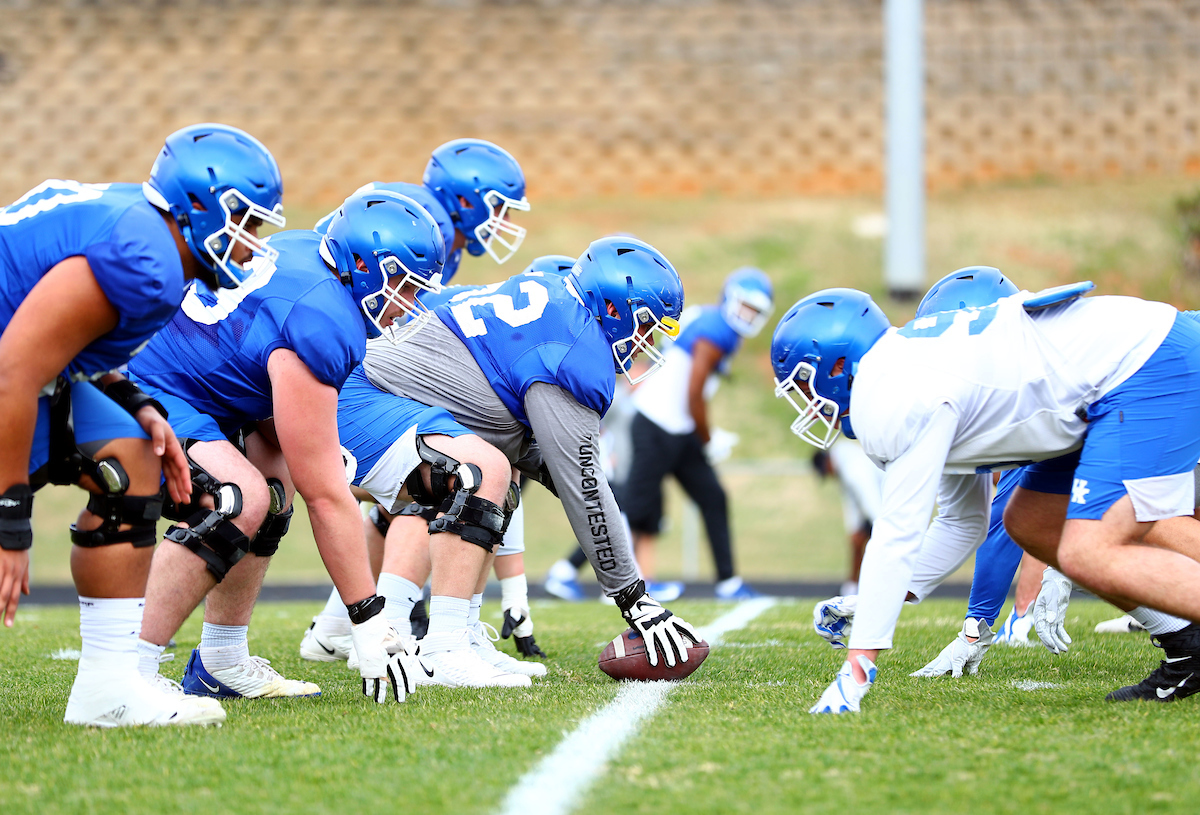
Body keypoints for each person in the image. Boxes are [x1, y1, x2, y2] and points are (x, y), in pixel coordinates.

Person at [772, 280, 1200, 713]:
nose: (806, 404)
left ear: (836, 364)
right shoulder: (906, 373)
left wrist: (855, 674)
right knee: (1030, 522)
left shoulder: (888, 396)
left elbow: (897, 534)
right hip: (1110, 376)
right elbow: (962, 523)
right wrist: (872, 603)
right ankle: (1187, 645)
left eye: (802, 386)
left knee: (1089, 549)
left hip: (1145, 364)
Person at [0, 122, 285, 727]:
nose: (252, 243)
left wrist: (142, 407)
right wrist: (11, 519)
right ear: (204, 211)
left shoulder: (155, 242)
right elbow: (13, 376)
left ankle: (108, 688)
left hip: (20, 369)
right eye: (248, 224)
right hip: (10, 374)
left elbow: (81, 353)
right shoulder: (144, 257)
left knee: (131, 458)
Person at [333, 235, 702, 686]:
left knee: (498, 479)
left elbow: (555, 468)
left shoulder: (556, 313)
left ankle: (461, 635)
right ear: (611, 309)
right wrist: (633, 597)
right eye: (645, 325)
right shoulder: (572, 350)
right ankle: (443, 648)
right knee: (480, 472)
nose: (645, 342)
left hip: (373, 392)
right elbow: (585, 487)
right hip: (360, 400)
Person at [129, 189, 445, 710]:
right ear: (362, 264)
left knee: (275, 490)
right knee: (242, 498)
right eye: (402, 288)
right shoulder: (324, 318)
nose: (405, 306)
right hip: (152, 380)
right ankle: (129, 669)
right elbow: (327, 497)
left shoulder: (313, 253)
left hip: (206, 384)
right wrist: (368, 618)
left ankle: (221, 661)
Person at [299, 257, 577, 666]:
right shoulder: (492, 347)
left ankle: (338, 626)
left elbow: (506, 486)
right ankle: (396, 628)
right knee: (441, 485)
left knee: (468, 484)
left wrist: (516, 596)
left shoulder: (494, 336)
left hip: (369, 406)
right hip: (351, 405)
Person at [546, 267, 773, 601]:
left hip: (677, 428)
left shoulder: (711, 320)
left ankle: (729, 582)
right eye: (746, 306)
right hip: (658, 425)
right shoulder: (717, 329)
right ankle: (565, 571)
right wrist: (709, 439)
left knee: (712, 498)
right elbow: (693, 392)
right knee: (629, 502)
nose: (748, 316)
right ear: (730, 299)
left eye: (755, 311)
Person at [313, 137, 530, 280]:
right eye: (501, 209)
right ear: (466, 202)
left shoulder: (449, 244)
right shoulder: (435, 227)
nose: (506, 221)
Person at [811, 438, 883, 596]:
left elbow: (871, 501)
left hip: (885, 505)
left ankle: (864, 586)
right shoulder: (844, 463)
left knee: (865, 541)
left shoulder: (853, 469)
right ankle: (851, 587)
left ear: (827, 463)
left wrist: (880, 528)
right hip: (881, 504)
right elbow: (851, 502)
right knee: (857, 539)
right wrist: (853, 529)